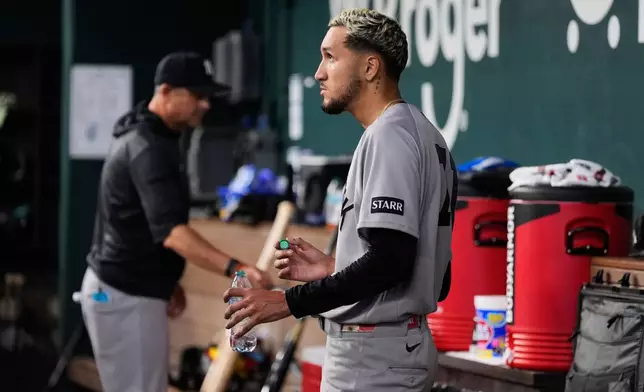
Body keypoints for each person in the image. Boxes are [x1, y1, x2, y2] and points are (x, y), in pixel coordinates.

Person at [223, 8, 457, 392]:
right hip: (395, 350)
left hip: (374, 360)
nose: (318, 72)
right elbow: (432, 276)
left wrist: (287, 302)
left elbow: (392, 260)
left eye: (331, 56)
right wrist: (337, 266)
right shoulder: (425, 134)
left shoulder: (389, 136)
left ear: (370, 67)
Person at [79, 51, 273, 392]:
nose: (205, 105)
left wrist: (166, 280)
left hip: (127, 288)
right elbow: (172, 234)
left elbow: (137, 224)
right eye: (196, 96)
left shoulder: (152, 136)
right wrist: (236, 267)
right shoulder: (146, 146)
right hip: (123, 293)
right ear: (166, 91)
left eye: (206, 97)